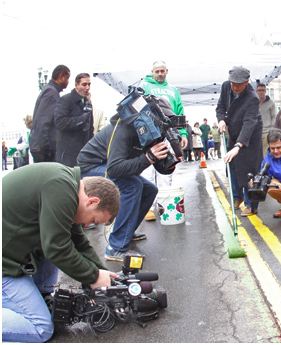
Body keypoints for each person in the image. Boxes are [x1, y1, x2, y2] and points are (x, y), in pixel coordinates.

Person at [2, 163, 120, 342]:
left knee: (59, 238)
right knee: (41, 328)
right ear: (92, 201)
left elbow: (78, 241)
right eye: (94, 219)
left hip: (11, 251)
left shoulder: (67, 185)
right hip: (4, 265)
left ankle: (40, 296)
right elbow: (57, 249)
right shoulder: (60, 188)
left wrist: (102, 276)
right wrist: (93, 276)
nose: (88, 225)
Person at [77, 110, 171, 261]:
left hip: (107, 165)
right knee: (132, 187)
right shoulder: (124, 129)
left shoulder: (145, 131)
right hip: (91, 167)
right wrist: (148, 158)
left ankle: (127, 231)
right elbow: (114, 169)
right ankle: (116, 247)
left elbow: (151, 163)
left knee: (150, 190)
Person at [139, 61, 187, 221]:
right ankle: (148, 208)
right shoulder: (144, 86)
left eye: (162, 71)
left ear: (167, 71)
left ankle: (164, 205)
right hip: (149, 136)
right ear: (151, 72)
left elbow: (179, 112)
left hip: (168, 135)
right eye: (156, 71)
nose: (159, 74)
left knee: (167, 169)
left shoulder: (173, 90)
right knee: (148, 172)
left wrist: (183, 133)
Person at [216, 66, 263, 217]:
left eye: (239, 84)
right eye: (233, 84)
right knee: (233, 165)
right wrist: (221, 119)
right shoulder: (226, 87)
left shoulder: (252, 98)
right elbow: (220, 107)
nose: (235, 87)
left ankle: (251, 204)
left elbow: (249, 122)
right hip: (235, 130)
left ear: (247, 82)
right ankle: (237, 197)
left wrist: (239, 145)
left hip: (251, 133)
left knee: (249, 169)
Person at [29, 65, 70, 163]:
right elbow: (43, 121)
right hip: (43, 150)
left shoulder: (49, 90)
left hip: (40, 147)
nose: (68, 82)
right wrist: (47, 148)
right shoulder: (51, 92)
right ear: (61, 77)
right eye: (67, 78)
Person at [54, 73, 94, 167]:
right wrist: (82, 119)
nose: (87, 87)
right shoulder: (65, 100)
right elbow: (60, 123)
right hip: (68, 155)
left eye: (89, 84)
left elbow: (90, 129)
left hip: (83, 154)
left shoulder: (87, 103)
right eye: (84, 84)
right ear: (76, 85)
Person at [257, 83, 277, 155]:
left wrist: (271, 130)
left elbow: (274, 117)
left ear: (265, 91)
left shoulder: (271, 103)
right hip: (256, 132)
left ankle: (265, 165)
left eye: (263, 90)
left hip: (266, 132)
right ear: (256, 91)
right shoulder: (254, 103)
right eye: (259, 90)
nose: (261, 92)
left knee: (266, 153)